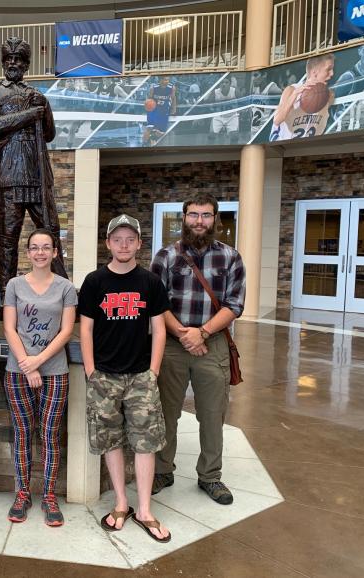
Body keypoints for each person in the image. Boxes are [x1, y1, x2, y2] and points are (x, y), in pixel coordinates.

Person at [78, 214, 171, 543]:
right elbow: (85, 328)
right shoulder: (94, 282)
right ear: (107, 243)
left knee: (145, 443)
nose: (123, 245)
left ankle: (144, 509)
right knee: (111, 440)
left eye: (130, 239)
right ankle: (121, 502)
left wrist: (154, 371)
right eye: (117, 239)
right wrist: (91, 371)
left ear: (139, 244)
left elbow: (159, 329)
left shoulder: (150, 282)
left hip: (140, 377)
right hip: (104, 376)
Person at [150, 193, 245, 506]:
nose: (199, 221)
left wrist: (202, 333)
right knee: (166, 412)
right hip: (174, 346)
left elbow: (235, 304)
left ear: (215, 219)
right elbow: (156, 302)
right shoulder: (165, 256)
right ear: (184, 217)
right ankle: (163, 470)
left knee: (212, 414)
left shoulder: (230, 257)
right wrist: (182, 333)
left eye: (206, 215)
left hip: (213, 345)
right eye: (193, 215)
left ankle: (210, 476)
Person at [2, 229, 77, 527]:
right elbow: (10, 328)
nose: (41, 252)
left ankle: (48, 495)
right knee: (22, 433)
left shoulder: (66, 288)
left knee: (49, 434)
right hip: (18, 371)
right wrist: (27, 366)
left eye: (46, 247)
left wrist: (38, 363)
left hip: (55, 371)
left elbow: (66, 331)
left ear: (55, 252)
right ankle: (22, 493)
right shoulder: (15, 285)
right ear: (28, 252)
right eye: (35, 247)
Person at [0, 37, 68, 292]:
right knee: (8, 238)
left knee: (51, 231)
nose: (12, 63)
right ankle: (5, 294)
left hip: (37, 175)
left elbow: (49, 133)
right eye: (8, 59)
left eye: (18, 59)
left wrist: (44, 108)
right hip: (8, 177)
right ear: (2, 62)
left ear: (26, 64)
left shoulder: (36, 96)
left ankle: (60, 289)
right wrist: (31, 114)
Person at [270, 53, 334, 141]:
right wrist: (295, 95)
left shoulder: (329, 96)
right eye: (328, 70)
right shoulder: (292, 90)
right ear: (314, 73)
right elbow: (277, 120)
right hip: (282, 144)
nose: (332, 74)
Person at [143, 76, 175, 146]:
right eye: (165, 80)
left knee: (162, 132)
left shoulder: (171, 88)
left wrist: (173, 108)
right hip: (153, 110)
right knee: (149, 127)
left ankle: (153, 137)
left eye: (168, 80)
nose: (167, 81)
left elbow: (173, 98)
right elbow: (149, 100)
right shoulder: (153, 88)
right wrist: (148, 106)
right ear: (160, 80)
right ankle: (144, 144)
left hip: (164, 110)